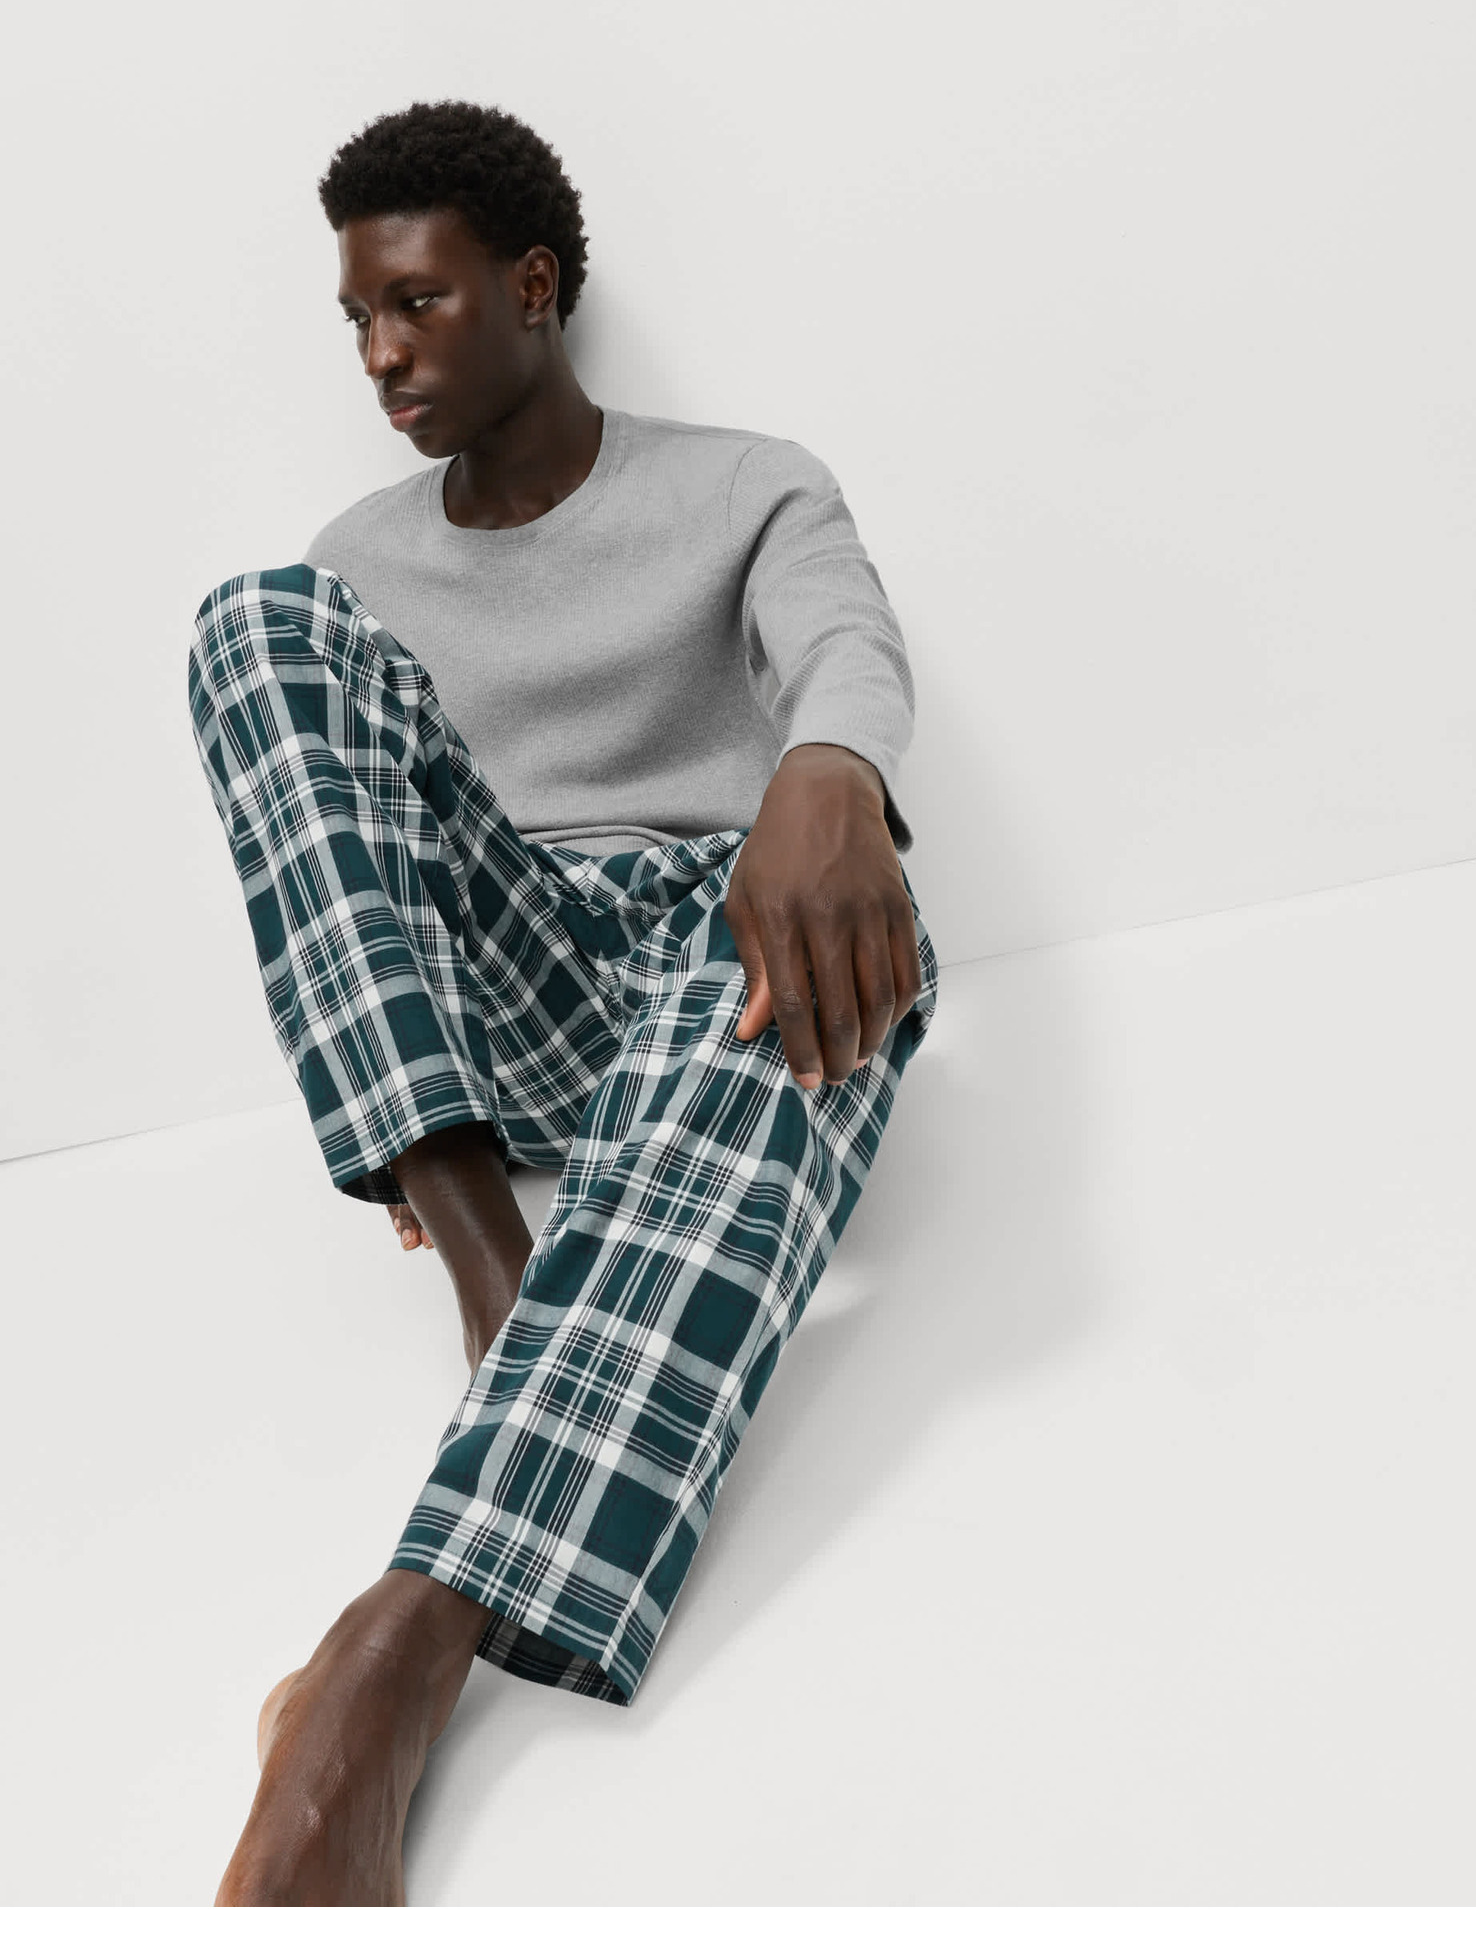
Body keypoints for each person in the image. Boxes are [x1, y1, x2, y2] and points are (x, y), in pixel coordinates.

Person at [186, 97, 939, 1906]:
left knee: (849, 957)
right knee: (251, 623)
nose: (381, 355)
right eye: (358, 320)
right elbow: (351, 842)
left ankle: (393, 1656)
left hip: (712, 953)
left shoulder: (744, 482)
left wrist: (828, 772)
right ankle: (499, 1284)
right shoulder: (356, 565)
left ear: (532, 288)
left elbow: (845, 638)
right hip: (504, 990)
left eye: (418, 304)